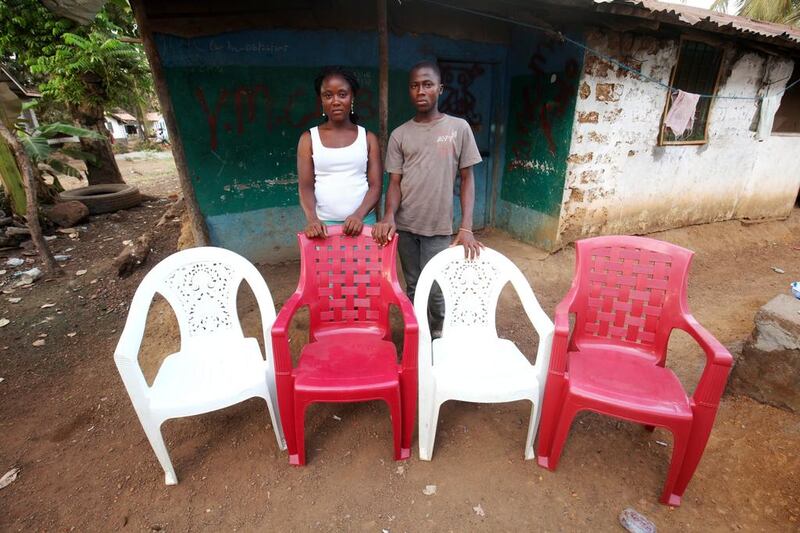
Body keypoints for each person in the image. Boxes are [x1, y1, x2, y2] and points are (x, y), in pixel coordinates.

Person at [372, 60, 483, 336]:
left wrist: (466, 226)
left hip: (438, 228)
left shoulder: (458, 128)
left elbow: (467, 179)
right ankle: (416, 335)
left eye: (427, 84)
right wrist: (388, 216)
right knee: (412, 284)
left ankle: (438, 335)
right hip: (406, 226)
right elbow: (394, 182)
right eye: (414, 86)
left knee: (435, 287)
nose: (420, 91)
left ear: (440, 89)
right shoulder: (400, 134)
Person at [297, 66, 382, 238]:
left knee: (364, 266)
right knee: (328, 266)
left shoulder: (367, 138)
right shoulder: (308, 139)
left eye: (342, 94)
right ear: (321, 100)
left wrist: (359, 215)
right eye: (328, 95)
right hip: (323, 228)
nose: (335, 101)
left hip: (363, 223)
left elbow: (376, 186)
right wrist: (312, 220)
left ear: (352, 98)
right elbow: (305, 187)